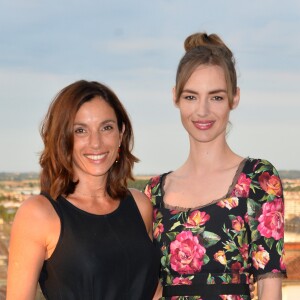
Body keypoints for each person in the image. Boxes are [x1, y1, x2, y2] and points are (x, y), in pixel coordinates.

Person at [144, 32, 287, 300]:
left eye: (216, 97)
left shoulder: (258, 179)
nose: (202, 111)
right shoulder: (154, 192)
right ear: (175, 97)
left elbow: (270, 285)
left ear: (235, 98)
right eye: (191, 97)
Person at [6, 80, 160, 300]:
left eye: (106, 127)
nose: (95, 143)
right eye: (80, 130)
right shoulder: (39, 214)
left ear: (121, 133)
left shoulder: (140, 205)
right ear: (62, 139)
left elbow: (153, 291)